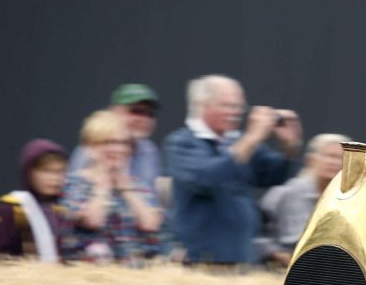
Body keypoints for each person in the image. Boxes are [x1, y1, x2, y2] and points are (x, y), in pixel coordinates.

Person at [164, 74, 302, 265]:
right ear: (202, 105)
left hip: (242, 257)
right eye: (228, 106)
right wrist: (252, 138)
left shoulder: (237, 141)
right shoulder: (182, 142)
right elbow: (205, 179)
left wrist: (290, 147)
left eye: (240, 107)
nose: (237, 112)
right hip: (201, 261)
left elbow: (273, 176)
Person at [62, 110, 164, 263]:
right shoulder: (75, 182)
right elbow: (93, 221)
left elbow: (151, 224)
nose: (119, 149)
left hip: (136, 272)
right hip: (90, 273)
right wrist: (102, 186)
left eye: (123, 143)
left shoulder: (137, 184)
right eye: (109, 142)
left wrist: (128, 191)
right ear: (91, 147)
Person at [255, 133, 350, 268]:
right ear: (310, 159)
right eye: (329, 156)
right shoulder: (286, 193)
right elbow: (256, 234)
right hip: (282, 272)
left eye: (341, 158)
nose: (334, 163)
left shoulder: (351, 200)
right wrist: (277, 254)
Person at [68, 83, 162, 193]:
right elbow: (74, 198)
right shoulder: (91, 148)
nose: (143, 119)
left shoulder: (149, 150)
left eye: (150, 114)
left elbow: (149, 199)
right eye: (136, 111)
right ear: (113, 111)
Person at [0, 140, 67, 261]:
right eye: (46, 171)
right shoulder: (13, 208)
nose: (55, 178)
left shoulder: (62, 210)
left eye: (60, 171)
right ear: (29, 173)